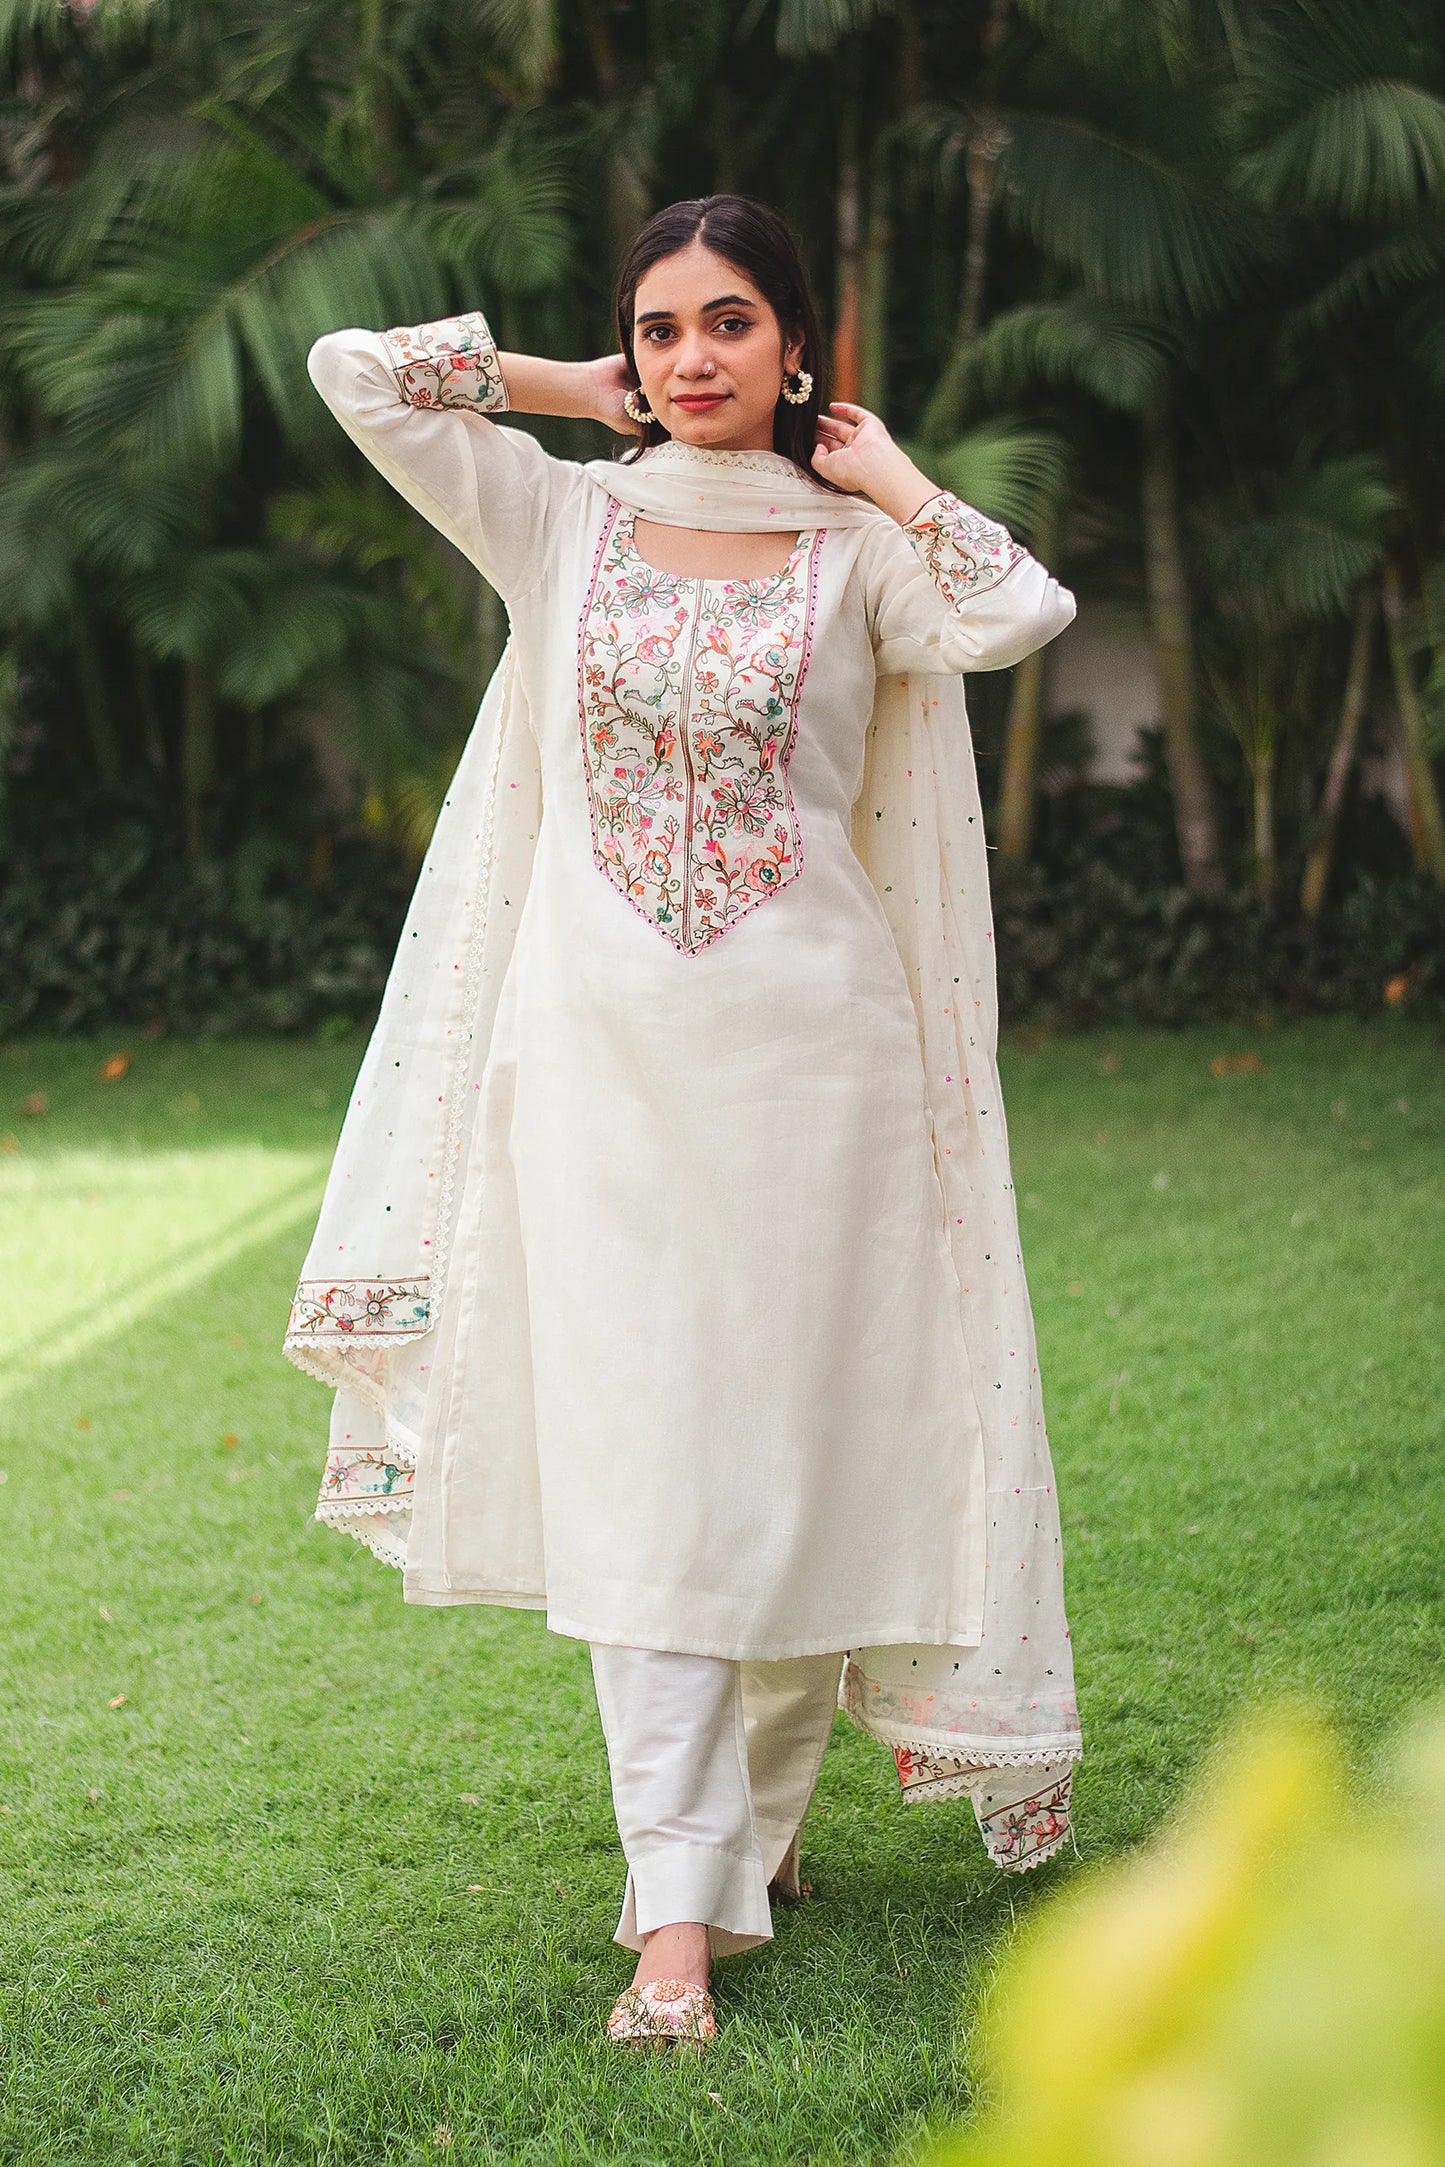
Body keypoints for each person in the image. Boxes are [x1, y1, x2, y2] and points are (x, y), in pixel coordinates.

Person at [285, 194, 1082, 2053]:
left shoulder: (859, 554)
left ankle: (762, 1828)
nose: (695, 357)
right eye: (662, 329)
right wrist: (574, 391)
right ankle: (675, 1906)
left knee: (787, 1458)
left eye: (732, 323)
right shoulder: (562, 516)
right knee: (652, 1463)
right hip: (598, 1075)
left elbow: (1014, 608)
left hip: (822, 1072)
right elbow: (355, 376)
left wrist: (880, 476)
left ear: (797, 343)